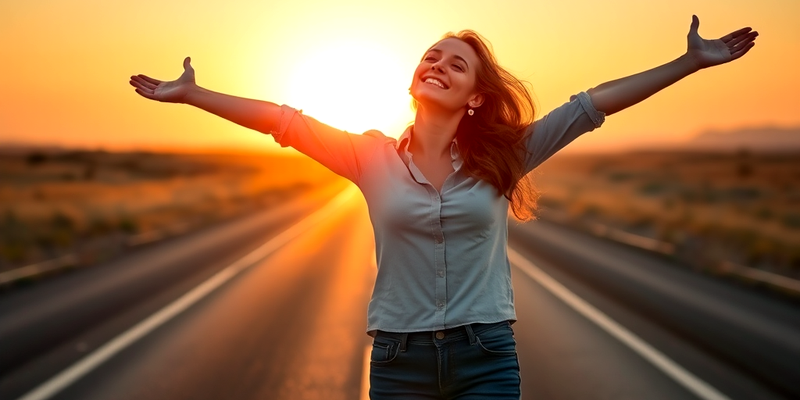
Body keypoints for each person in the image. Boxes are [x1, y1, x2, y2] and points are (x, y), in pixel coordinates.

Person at [129, 15, 757, 400]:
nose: (438, 65)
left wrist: (689, 63)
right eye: (431, 56)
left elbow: (592, 105)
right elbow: (284, 122)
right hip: (400, 364)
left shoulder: (507, 155)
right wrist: (193, 95)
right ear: (414, 78)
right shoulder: (368, 156)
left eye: (456, 64)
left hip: (486, 359)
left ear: (477, 97)